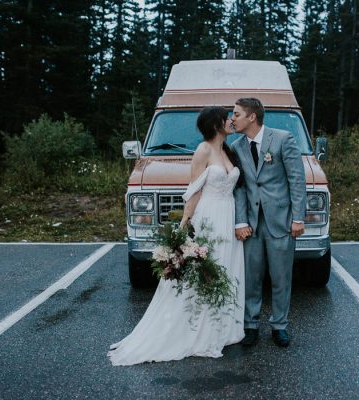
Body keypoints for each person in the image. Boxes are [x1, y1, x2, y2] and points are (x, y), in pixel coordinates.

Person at [107, 106, 245, 365]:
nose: (230, 121)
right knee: (205, 270)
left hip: (228, 215)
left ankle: (222, 326)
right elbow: (194, 189)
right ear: (215, 124)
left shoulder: (228, 149)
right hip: (209, 216)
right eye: (226, 118)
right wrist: (184, 223)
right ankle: (196, 328)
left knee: (227, 268)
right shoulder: (203, 149)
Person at [231, 97, 307, 348]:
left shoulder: (283, 139)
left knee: (280, 276)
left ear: (252, 117)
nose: (233, 119)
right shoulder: (237, 146)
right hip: (251, 224)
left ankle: (279, 326)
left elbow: (296, 181)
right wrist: (240, 221)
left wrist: (298, 218)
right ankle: (250, 325)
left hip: (281, 221)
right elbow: (240, 189)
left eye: (237, 114)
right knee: (251, 276)